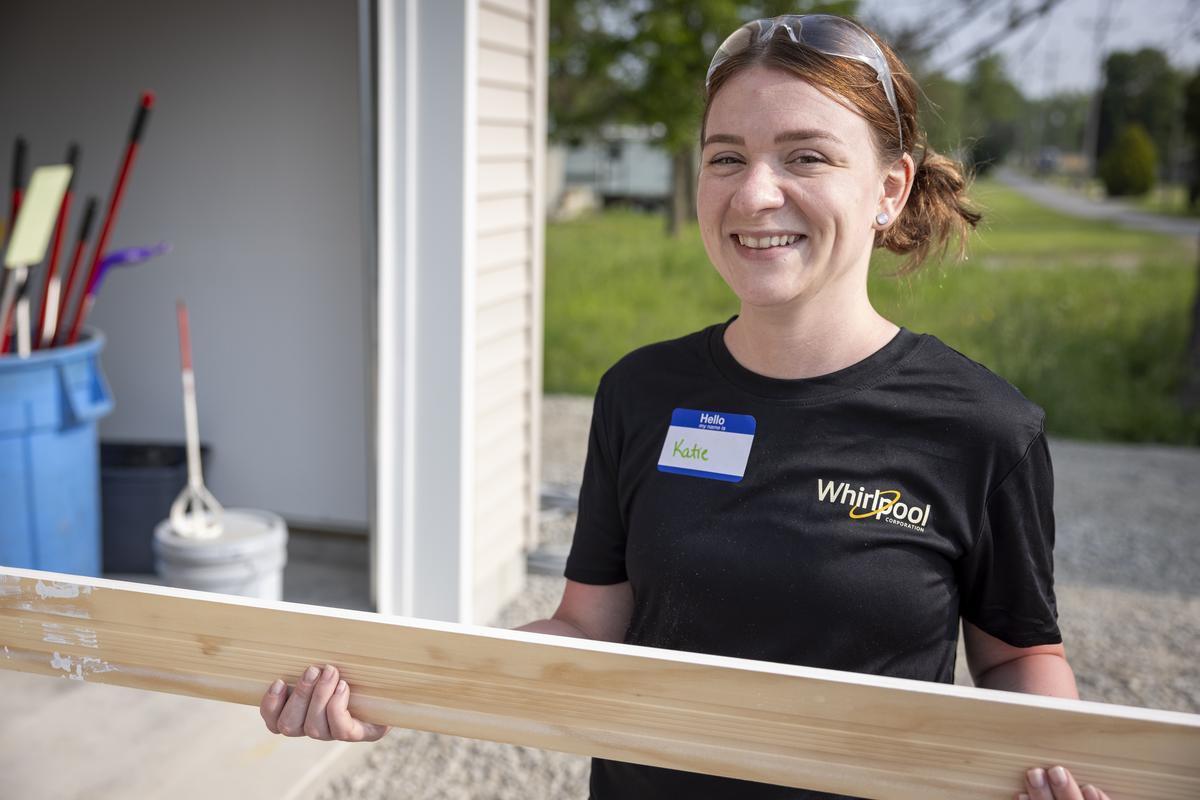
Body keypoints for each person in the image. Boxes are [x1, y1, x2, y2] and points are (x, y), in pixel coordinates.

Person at [260, 14, 1113, 800]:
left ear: (890, 189)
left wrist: (1056, 763)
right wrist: (395, 689)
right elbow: (588, 626)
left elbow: (1018, 660)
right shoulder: (642, 392)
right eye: (726, 156)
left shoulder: (982, 427)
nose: (754, 195)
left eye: (806, 156)